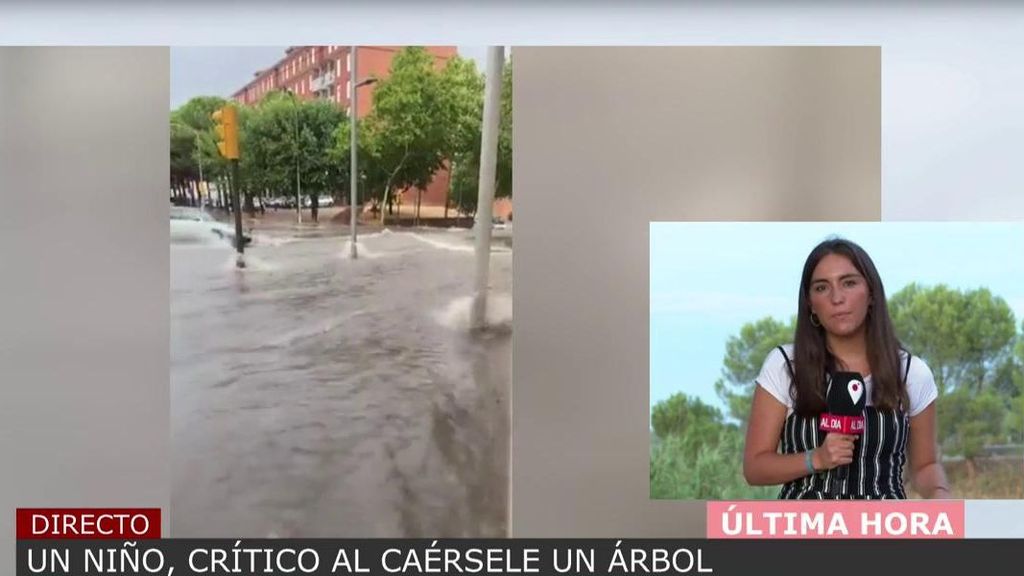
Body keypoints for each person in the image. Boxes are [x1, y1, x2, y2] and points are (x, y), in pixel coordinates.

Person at [743, 237, 951, 499]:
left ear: (871, 293)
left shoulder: (912, 373)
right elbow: (755, 468)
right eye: (822, 288)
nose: (837, 298)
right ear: (810, 304)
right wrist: (816, 458)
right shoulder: (785, 366)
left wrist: (941, 495)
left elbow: (925, 466)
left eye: (849, 283)